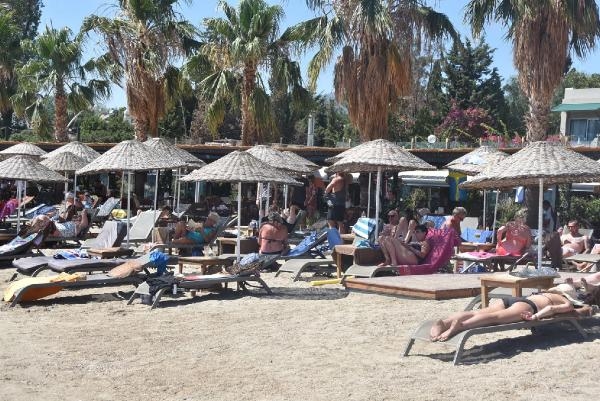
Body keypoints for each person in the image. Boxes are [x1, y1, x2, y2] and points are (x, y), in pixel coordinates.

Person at [429, 282, 600, 342]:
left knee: (480, 312)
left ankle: (444, 323)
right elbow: (551, 309)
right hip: (528, 306)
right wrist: (536, 316)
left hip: (513, 299)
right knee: (494, 318)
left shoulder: (549, 292)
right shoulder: (566, 301)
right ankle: (460, 326)